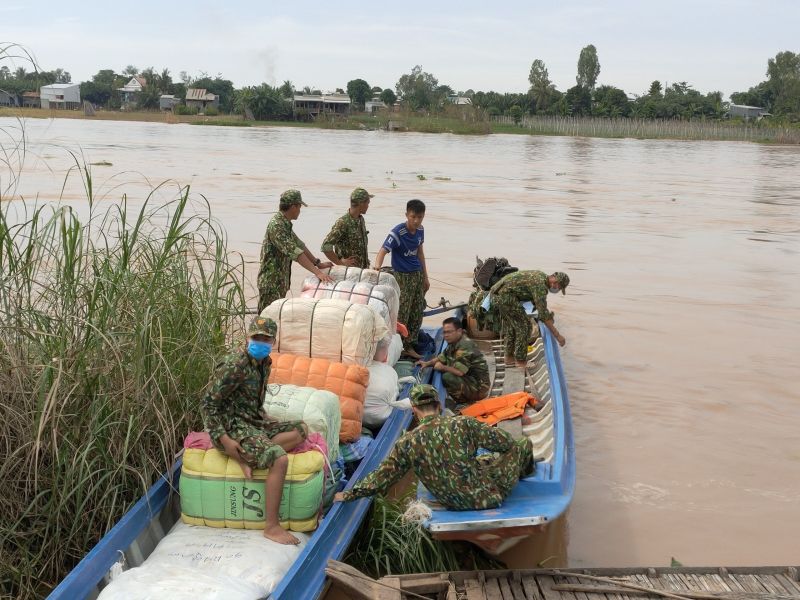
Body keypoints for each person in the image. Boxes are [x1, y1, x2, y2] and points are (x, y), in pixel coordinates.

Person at [333, 384, 533, 510]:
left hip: (451, 502)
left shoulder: (407, 442)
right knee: (522, 444)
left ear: (414, 411)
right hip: (487, 498)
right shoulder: (463, 424)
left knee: (481, 461)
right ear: (439, 406)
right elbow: (506, 443)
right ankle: (526, 473)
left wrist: (349, 494)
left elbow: (382, 478)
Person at [202, 315, 309, 545]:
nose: (260, 341)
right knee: (279, 460)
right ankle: (271, 527)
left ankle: (250, 456)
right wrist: (226, 441)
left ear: (273, 341)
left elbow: (252, 401)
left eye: (266, 338)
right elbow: (208, 405)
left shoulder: (264, 363)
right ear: (248, 337)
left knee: (300, 429)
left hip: (253, 422)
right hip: (232, 427)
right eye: (256, 337)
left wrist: (265, 420)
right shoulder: (236, 364)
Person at [257, 189, 334, 313]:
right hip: (271, 283)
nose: (300, 211)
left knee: (274, 319)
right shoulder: (277, 226)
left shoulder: (284, 223)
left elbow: (300, 245)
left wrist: (317, 263)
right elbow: (296, 253)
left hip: (279, 282)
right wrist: (318, 273)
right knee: (265, 320)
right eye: (299, 207)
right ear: (293, 207)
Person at [372, 199, 429, 359]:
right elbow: (383, 251)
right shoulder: (398, 232)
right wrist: (377, 267)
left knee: (417, 310)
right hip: (402, 277)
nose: (416, 221)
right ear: (407, 215)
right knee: (402, 311)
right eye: (413, 217)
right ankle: (398, 345)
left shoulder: (420, 230)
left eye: (420, 217)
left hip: (417, 274)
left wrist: (425, 277)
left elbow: (420, 253)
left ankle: (409, 344)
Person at [490, 270, 570, 368]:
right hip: (505, 297)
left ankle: (509, 358)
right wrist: (558, 336)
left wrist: (547, 315)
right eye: (559, 287)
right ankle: (520, 362)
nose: (557, 289)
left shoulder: (541, 276)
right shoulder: (540, 286)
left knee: (512, 326)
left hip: (498, 294)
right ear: (556, 282)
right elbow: (542, 314)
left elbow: (538, 305)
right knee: (524, 327)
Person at [416, 317, 490, 410]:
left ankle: (465, 403)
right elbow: (441, 357)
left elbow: (460, 372)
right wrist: (427, 363)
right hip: (471, 381)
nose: (446, 335)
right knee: (447, 370)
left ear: (459, 331)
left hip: (480, 388)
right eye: (444, 332)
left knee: (447, 377)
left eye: (449, 332)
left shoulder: (464, 345)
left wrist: (442, 367)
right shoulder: (454, 342)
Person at [321, 187, 372, 268]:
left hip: (362, 271)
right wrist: (340, 263)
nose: (368, 206)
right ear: (361, 203)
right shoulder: (343, 223)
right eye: (368, 203)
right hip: (348, 273)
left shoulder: (360, 220)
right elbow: (326, 246)